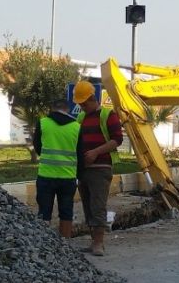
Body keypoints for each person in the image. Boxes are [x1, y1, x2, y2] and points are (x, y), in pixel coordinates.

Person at [73, 81, 123, 256]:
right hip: (84, 169)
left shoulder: (108, 115)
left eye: (83, 103)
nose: (82, 106)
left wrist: (95, 152)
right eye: (80, 104)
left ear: (91, 99)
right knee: (87, 206)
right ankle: (93, 240)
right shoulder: (81, 118)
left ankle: (99, 243)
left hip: (100, 168)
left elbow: (117, 139)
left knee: (97, 206)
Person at [32, 99, 80, 238]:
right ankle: (65, 243)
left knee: (44, 211)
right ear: (68, 110)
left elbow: (38, 146)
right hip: (68, 177)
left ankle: (45, 243)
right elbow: (80, 151)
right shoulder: (76, 127)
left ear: (52, 109)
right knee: (66, 211)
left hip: (46, 175)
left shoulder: (43, 123)